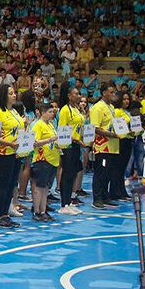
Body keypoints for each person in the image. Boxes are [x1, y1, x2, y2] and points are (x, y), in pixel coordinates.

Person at [0, 84, 23, 229]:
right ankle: (0, 215)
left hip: (16, 153)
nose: (14, 95)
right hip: (2, 153)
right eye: (10, 93)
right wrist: (9, 143)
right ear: (3, 95)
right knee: (3, 184)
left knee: (11, 184)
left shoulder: (14, 111)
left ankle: (6, 214)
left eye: (14, 93)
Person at [90, 84, 120, 210]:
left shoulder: (112, 107)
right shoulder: (97, 108)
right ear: (104, 93)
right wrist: (112, 134)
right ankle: (97, 198)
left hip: (113, 146)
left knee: (108, 173)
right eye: (111, 92)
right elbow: (95, 128)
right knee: (100, 173)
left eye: (114, 92)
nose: (114, 94)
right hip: (102, 146)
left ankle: (105, 196)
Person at [57, 83, 85, 215]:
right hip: (68, 145)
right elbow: (63, 130)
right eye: (75, 94)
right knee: (67, 174)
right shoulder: (65, 110)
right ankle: (64, 204)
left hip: (76, 145)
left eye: (79, 94)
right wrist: (75, 138)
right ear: (69, 96)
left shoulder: (77, 109)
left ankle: (69, 202)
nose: (78, 96)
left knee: (73, 173)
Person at [30, 103, 60, 221]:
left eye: (53, 112)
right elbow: (34, 142)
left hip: (53, 158)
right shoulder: (38, 125)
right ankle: (37, 211)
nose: (52, 114)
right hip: (42, 159)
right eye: (50, 112)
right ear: (43, 113)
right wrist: (50, 140)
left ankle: (43, 210)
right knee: (39, 186)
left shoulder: (51, 125)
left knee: (46, 187)